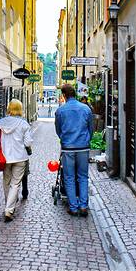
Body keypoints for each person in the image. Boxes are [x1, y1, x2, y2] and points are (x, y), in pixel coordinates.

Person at [55, 84, 93, 217]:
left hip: (68, 148)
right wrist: (87, 140)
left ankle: (73, 207)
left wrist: (64, 139)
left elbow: (58, 130)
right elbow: (90, 129)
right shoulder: (86, 109)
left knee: (69, 177)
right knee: (83, 176)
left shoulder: (60, 111)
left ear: (64, 96)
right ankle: (83, 206)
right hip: (83, 147)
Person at [0, 99, 32, 222]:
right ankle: (9, 210)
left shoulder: (0, 123)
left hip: (5, 158)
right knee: (15, 183)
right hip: (20, 157)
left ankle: (8, 206)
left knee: (7, 182)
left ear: (9, 108)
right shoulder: (24, 124)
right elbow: (27, 142)